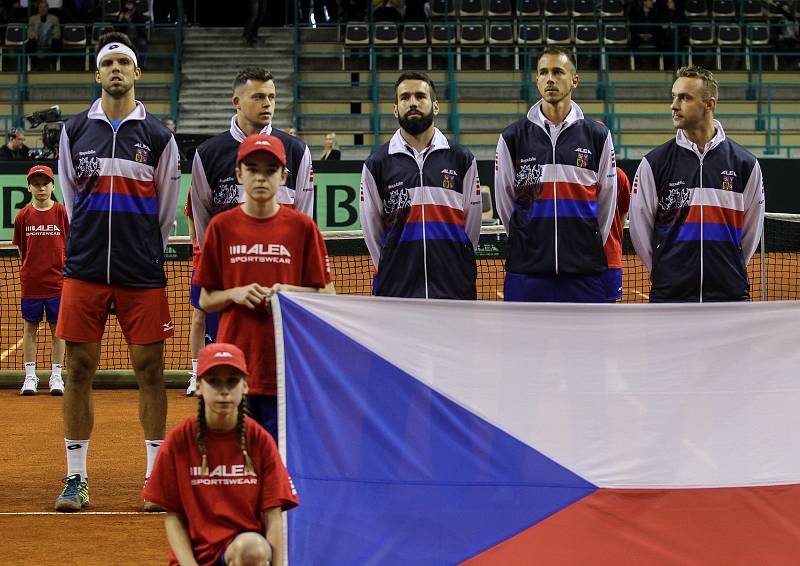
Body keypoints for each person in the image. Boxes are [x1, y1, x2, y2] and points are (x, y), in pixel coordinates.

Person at [54, 32, 182, 512]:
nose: (115, 70)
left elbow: (165, 213)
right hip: (84, 268)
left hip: (140, 271)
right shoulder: (73, 131)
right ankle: (76, 477)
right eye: (107, 62)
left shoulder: (158, 137)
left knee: (150, 371)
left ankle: (155, 477)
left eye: (123, 62)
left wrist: (144, 250)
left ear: (136, 73)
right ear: (97, 73)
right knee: (78, 368)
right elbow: (72, 199)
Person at [195, 134, 334, 441]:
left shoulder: (302, 228)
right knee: (236, 459)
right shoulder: (221, 227)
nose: (261, 177)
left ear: (283, 176)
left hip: (286, 366)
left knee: (281, 460)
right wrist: (235, 293)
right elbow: (206, 299)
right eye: (252, 168)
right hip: (232, 370)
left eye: (270, 170)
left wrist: (288, 293)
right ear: (239, 173)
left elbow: (328, 297)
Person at [142, 342, 299, 566]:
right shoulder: (180, 440)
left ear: (245, 386)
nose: (224, 391)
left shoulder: (259, 441)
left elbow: (274, 517)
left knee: (252, 549)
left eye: (232, 381)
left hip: (240, 554)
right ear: (199, 387)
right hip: (192, 558)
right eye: (214, 381)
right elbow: (174, 517)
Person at [629, 66, 765, 302]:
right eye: (674, 96)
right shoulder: (654, 163)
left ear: (709, 104)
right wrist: (666, 271)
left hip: (729, 295)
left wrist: (727, 268)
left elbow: (751, 231)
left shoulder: (745, 164)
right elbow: (640, 228)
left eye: (684, 98)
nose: (674, 105)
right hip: (670, 295)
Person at [495, 47, 617, 302]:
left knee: (587, 342)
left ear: (574, 80)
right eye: (543, 72)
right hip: (526, 273)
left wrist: (585, 244)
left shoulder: (598, 135)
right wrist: (527, 241)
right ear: (536, 80)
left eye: (558, 72)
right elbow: (505, 203)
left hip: (584, 273)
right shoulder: (512, 137)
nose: (550, 78)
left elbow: (606, 202)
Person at [360, 71, 481, 299]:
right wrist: (394, 265)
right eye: (405, 97)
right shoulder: (377, 164)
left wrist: (457, 259)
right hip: (397, 289)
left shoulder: (462, 158)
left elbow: (471, 227)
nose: (413, 102)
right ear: (395, 108)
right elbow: (372, 231)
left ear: (435, 106)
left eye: (420, 96)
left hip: (454, 287)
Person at [190, 67, 315, 249]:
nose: (267, 103)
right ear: (237, 102)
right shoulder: (207, 153)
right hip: (229, 271)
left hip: (282, 269)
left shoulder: (297, 150)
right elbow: (203, 224)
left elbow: (304, 219)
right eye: (258, 97)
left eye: (271, 97)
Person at [13, 164, 69, 396]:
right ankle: (30, 377)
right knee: (30, 328)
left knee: (58, 330)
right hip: (32, 283)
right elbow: (22, 251)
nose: (41, 188)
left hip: (58, 282)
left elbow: (71, 243)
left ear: (53, 186)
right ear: (29, 188)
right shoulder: (23, 216)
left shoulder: (62, 213)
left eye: (45, 184)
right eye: (36, 185)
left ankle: (56, 375)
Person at [184, 190, 218, 397]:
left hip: (231, 258)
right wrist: (196, 247)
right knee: (199, 317)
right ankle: (197, 374)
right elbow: (191, 218)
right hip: (203, 259)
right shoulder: (198, 185)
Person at [602, 167, 631, 302]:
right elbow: (623, 214)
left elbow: (624, 210)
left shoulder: (619, 175)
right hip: (581, 260)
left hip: (610, 258)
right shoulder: (619, 174)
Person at [27, 0, 61, 71]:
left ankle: (52, 64)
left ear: (48, 8)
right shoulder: (32, 18)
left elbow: (57, 32)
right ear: (38, 8)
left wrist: (51, 38)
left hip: (50, 39)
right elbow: (29, 32)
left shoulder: (54, 18)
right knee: (29, 44)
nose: (42, 9)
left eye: (45, 7)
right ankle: (35, 65)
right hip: (37, 39)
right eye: (40, 7)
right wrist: (35, 36)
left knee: (57, 43)